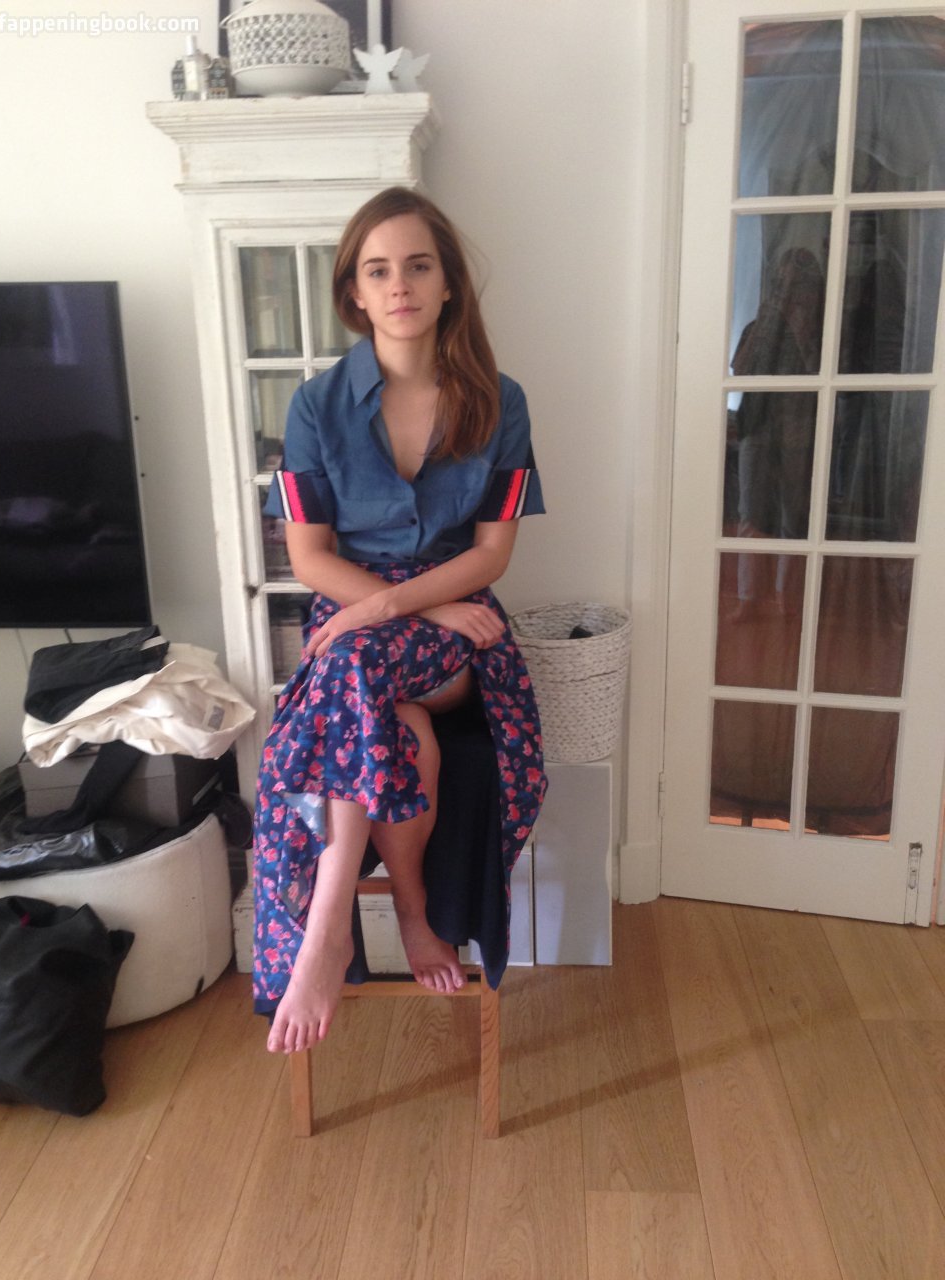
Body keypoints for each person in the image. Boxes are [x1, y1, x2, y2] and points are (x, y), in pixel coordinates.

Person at [252, 187, 546, 1055]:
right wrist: (380, 605)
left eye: (418, 266)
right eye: (378, 270)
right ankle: (411, 914)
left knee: (353, 663)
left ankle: (326, 928)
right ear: (354, 291)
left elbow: (492, 555)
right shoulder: (314, 406)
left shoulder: (501, 401)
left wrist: (393, 604)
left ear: (448, 282)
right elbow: (310, 557)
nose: (400, 285)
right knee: (397, 726)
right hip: (357, 618)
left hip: (455, 632)